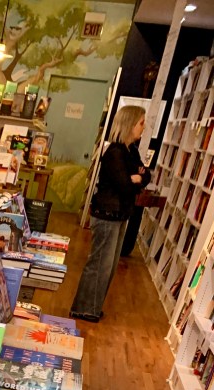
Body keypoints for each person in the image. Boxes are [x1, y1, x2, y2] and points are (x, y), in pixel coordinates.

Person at [69, 104, 151, 323]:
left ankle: (92, 307)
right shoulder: (115, 152)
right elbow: (124, 184)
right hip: (107, 215)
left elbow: (146, 175)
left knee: (109, 266)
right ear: (130, 124)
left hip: (119, 214)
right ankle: (84, 308)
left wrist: (138, 178)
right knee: (100, 265)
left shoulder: (130, 151)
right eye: (141, 123)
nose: (144, 127)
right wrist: (135, 179)